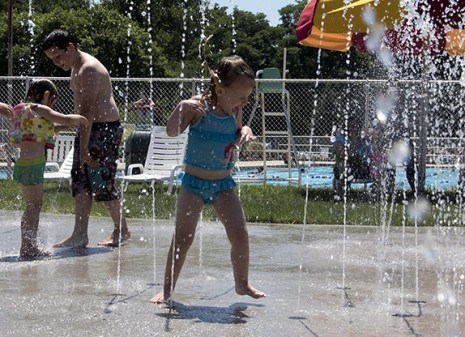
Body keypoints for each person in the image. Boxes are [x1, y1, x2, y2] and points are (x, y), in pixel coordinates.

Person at [150, 53, 266, 304]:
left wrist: (245, 130)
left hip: (223, 185)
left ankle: (242, 284)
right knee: (183, 237)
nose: (245, 102)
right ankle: (167, 289)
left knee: (240, 234)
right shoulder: (198, 108)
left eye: (248, 97)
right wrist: (180, 107)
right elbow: (172, 132)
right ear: (220, 89)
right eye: (242, 96)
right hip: (193, 185)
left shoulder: (233, 110)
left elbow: (237, 132)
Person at [43, 29, 130, 248]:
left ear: (70, 47)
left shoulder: (89, 69)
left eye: (58, 56)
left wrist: (82, 147)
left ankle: (122, 230)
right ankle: (80, 234)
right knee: (80, 182)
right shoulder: (75, 68)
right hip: (88, 128)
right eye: (52, 59)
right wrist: (62, 127)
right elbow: (81, 112)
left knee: (101, 182)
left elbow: (88, 110)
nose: (57, 62)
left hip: (104, 130)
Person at [9, 79, 88, 258]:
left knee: (32, 206)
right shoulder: (40, 109)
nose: (51, 107)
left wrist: (62, 127)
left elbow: (43, 130)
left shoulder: (22, 110)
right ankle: (28, 247)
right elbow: (65, 118)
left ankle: (28, 245)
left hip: (23, 164)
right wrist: (81, 119)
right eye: (53, 102)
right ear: (46, 96)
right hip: (34, 164)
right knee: (33, 207)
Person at [332, 117, 372, 195]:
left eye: (357, 126)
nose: (355, 129)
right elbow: (344, 155)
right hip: (344, 169)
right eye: (353, 126)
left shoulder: (365, 141)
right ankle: (341, 195)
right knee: (344, 165)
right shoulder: (340, 139)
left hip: (360, 169)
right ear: (347, 128)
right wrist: (354, 142)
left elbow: (371, 156)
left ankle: (377, 195)